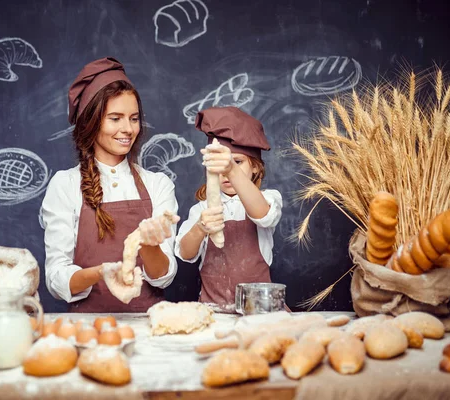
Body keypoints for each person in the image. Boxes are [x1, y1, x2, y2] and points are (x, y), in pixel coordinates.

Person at [41, 57, 179, 312]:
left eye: (134, 118)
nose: (128, 129)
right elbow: (56, 278)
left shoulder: (158, 184)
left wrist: (149, 245)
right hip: (87, 328)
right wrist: (102, 272)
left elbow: (164, 276)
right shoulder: (65, 185)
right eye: (115, 118)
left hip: (149, 326)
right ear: (91, 122)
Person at [175, 106, 283, 307]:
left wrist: (231, 169)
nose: (225, 172)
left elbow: (264, 215)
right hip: (213, 309)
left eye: (237, 162)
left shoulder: (267, 198)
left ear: (255, 167)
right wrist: (200, 228)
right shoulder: (202, 209)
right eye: (220, 166)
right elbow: (185, 253)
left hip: (259, 310)